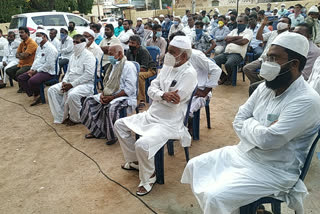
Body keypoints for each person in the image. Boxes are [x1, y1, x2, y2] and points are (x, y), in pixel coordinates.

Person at [181, 32, 320, 214]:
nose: (267, 63)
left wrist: (252, 125)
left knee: (216, 197)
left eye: (274, 58)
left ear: (294, 64)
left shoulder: (306, 100)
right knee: (195, 165)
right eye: (267, 56)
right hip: (244, 153)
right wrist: (259, 128)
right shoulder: (265, 87)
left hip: (275, 170)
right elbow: (239, 119)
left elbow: (269, 140)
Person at [114, 35, 197, 196]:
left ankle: (149, 177)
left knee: (142, 144)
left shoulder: (189, 74)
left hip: (169, 122)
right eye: (169, 51)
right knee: (120, 124)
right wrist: (163, 95)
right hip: (152, 114)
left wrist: (159, 95)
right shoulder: (168, 66)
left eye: (173, 52)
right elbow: (151, 88)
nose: (168, 54)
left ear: (184, 56)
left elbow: (174, 102)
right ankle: (136, 161)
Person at [80, 44, 137, 145]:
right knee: (88, 101)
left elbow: (130, 89)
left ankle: (113, 135)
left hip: (124, 96)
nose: (109, 57)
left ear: (119, 54)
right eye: (108, 54)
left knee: (111, 108)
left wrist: (112, 97)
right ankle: (98, 131)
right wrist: (103, 95)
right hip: (109, 95)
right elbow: (107, 85)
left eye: (111, 54)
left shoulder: (128, 66)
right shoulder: (112, 66)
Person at [47, 34, 95, 125]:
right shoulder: (73, 56)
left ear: (83, 43)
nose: (75, 44)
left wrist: (72, 85)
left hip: (85, 84)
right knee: (52, 90)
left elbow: (88, 75)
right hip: (70, 82)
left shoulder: (89, 56)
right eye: (74, 42)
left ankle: (75, 119)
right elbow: (68, 72)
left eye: (78, 42)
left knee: (73, 94)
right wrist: (65, 81)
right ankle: (62, 115)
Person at [244, 17, 291, 85]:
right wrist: (263, 25)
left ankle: (259, 85)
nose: (280, 23)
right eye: (279, 21)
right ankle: (259, 85)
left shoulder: (290, 36)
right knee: (247, 68)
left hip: (276, 61)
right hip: (263, 59)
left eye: (283, 22)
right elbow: (259, 37)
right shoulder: (273, 33)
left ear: (288, 25)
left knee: (269, 74)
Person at [17, 30, 58, 106]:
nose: (37, 38)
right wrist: (32, 69)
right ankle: (35, 94)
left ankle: (38, 96)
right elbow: (36, 60)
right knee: (21, 78)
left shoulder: (51, 48)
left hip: (48, 71)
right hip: (38, 70)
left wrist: (36, 71)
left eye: (39, 36)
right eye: (36, 36)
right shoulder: (39, 47)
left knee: (32, 80)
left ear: (44, 36)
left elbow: (49, 65)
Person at [214, 15, 253, 85]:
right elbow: (226, 39)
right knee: (213, 61)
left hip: (237, 54)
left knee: (228, 64)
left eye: (241, 21)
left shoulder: (248, 32)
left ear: (246, 22)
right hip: (226, 53)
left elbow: (243, 42)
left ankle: (230, 78)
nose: (239, 23)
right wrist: (238, 37)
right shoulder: (234, 30)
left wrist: (231, 40)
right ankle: (224, 77)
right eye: (238, 21)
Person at [126, 35, 156, 109]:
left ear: (138, 44)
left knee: (139, 76)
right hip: (135, 70)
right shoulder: (128, 51)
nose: (130, 44)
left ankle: (142, 100)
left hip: (150, 69)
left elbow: (144, 68)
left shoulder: (143, 51)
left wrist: (132, 71)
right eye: (129, 42)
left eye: (133, 43)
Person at [6, 27, 38, 93]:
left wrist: (21, 55)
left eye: (22, 32)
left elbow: (24, 55)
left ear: (27, 33)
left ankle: (26, 87)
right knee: (8, 70)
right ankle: (24, 83)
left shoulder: (32, 43)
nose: (20, 34)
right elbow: (17, 54)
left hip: (30, 64)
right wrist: (21, 55)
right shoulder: (22, 43)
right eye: (19, 32)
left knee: (19, 73)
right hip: (21, 63)